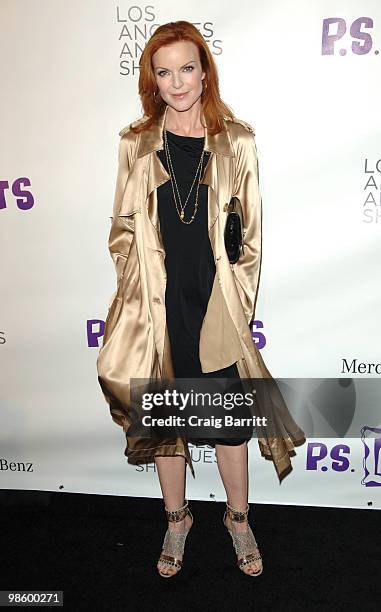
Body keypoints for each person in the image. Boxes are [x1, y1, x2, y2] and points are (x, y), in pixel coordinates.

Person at [97, 20, 306, 579]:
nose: (177, 82)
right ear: (153, 81)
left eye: (187, 68)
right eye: (164, 73)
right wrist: (137, 289)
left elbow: (252, 239)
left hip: (215, 306)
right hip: (159, 311)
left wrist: (232, 302)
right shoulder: (135, 144)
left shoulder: (236, 141)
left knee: (229, 423)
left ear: (204, 70)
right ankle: (177, 519)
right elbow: (121, 229)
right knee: (168, 421)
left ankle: (238, 519)